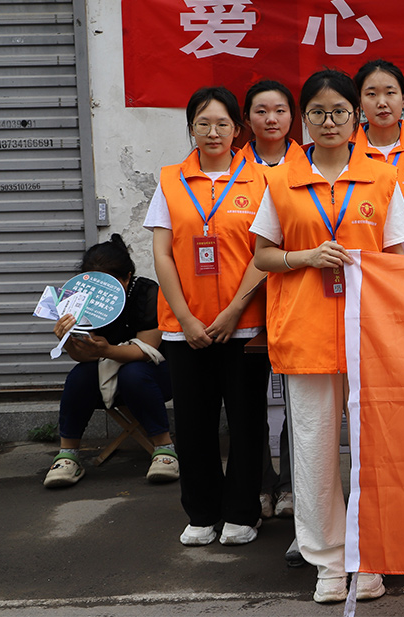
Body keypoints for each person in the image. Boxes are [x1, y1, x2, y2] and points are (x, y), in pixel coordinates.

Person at [252, 68, 404, 604]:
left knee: (375, 451)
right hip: (305, 333)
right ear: (305, 119)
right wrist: (305, 256)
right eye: (318, 112)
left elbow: (400, 260)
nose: (329, 121)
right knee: (314, 452)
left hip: (370, 336)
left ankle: (369, 556)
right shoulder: (281, 179)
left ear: (356, 117)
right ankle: (326, 562)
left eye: (340, 112)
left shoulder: (382, 178)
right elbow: (263, 256)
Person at [145, 87, 269, 547]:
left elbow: (263, 253)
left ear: (238, 129)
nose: (212, 132)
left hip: (244, 324)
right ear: (191, 128)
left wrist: (235, 311)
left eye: (222, 123)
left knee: (246, 422)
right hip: (186, 329)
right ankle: (201, 513)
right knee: (194, 424)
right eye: (203, 123)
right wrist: (185, 318)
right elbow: (162, 253)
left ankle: (242, 513)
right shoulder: (170, 180)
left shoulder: (261, 180)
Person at [44, 235, 177, 488]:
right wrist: (68, 340)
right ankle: (68, 455)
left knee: (133, 373)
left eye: (112, 283)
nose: (101, 292)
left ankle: (165, 450)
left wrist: (108, 350)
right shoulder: (79, 299)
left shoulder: (148, 293)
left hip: (153, 377)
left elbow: (146, 350)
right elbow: (83, 356)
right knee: (79, 375)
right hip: (105, 373)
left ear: (127, 278)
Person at [240, 79, 303, 523]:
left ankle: (290, 487)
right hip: (244, 300)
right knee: (251, 401)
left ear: (293, 117)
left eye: (280, 110)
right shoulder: (232, 168)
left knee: (299, 402)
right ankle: (260, 483)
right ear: (247, 119)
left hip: (296, 296)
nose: (271, 119)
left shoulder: (309, 163)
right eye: (261, 111)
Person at [353, 59, 404, 249]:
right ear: (359, 101)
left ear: (403, 98)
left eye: (390, 93)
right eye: (371, 94)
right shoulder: (346, 149)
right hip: (362, 257)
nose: (382, 103)